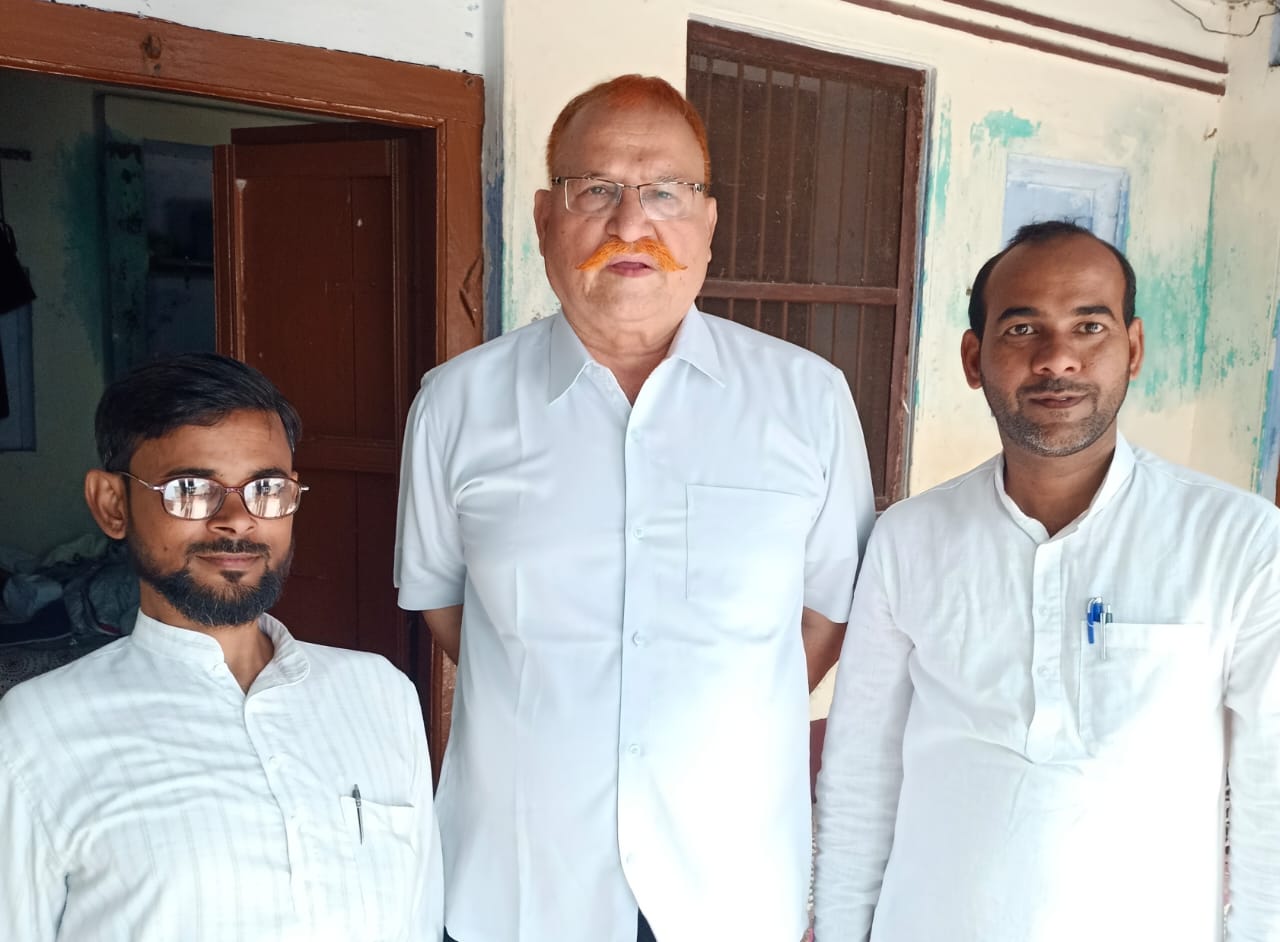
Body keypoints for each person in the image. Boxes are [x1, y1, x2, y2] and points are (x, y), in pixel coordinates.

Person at [395, 75, 876, 942]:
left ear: (709, 222)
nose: (629, 225)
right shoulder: (454, 406)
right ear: (544, 217)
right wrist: (562, 692)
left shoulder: (808, 401)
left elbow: (826, 613)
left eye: (665, 192)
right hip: (523, 883)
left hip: (726, 882)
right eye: (596, 190)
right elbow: (445, 604)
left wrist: (702, 703)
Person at [814, 220, 1280, 941]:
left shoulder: (1239, 540)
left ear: (1133, 349)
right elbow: (860, 775)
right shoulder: (909, 539)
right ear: (974, 358)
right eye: (1022, 328)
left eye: (1090, 326)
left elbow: (1269, 792)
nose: (1058, 358)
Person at [0, 353, 442, 942]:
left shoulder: (381, 694)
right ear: (112, 504)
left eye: (268, 488)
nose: (238, 519)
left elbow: (418, 917)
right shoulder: (36, 732)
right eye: (190, 489)